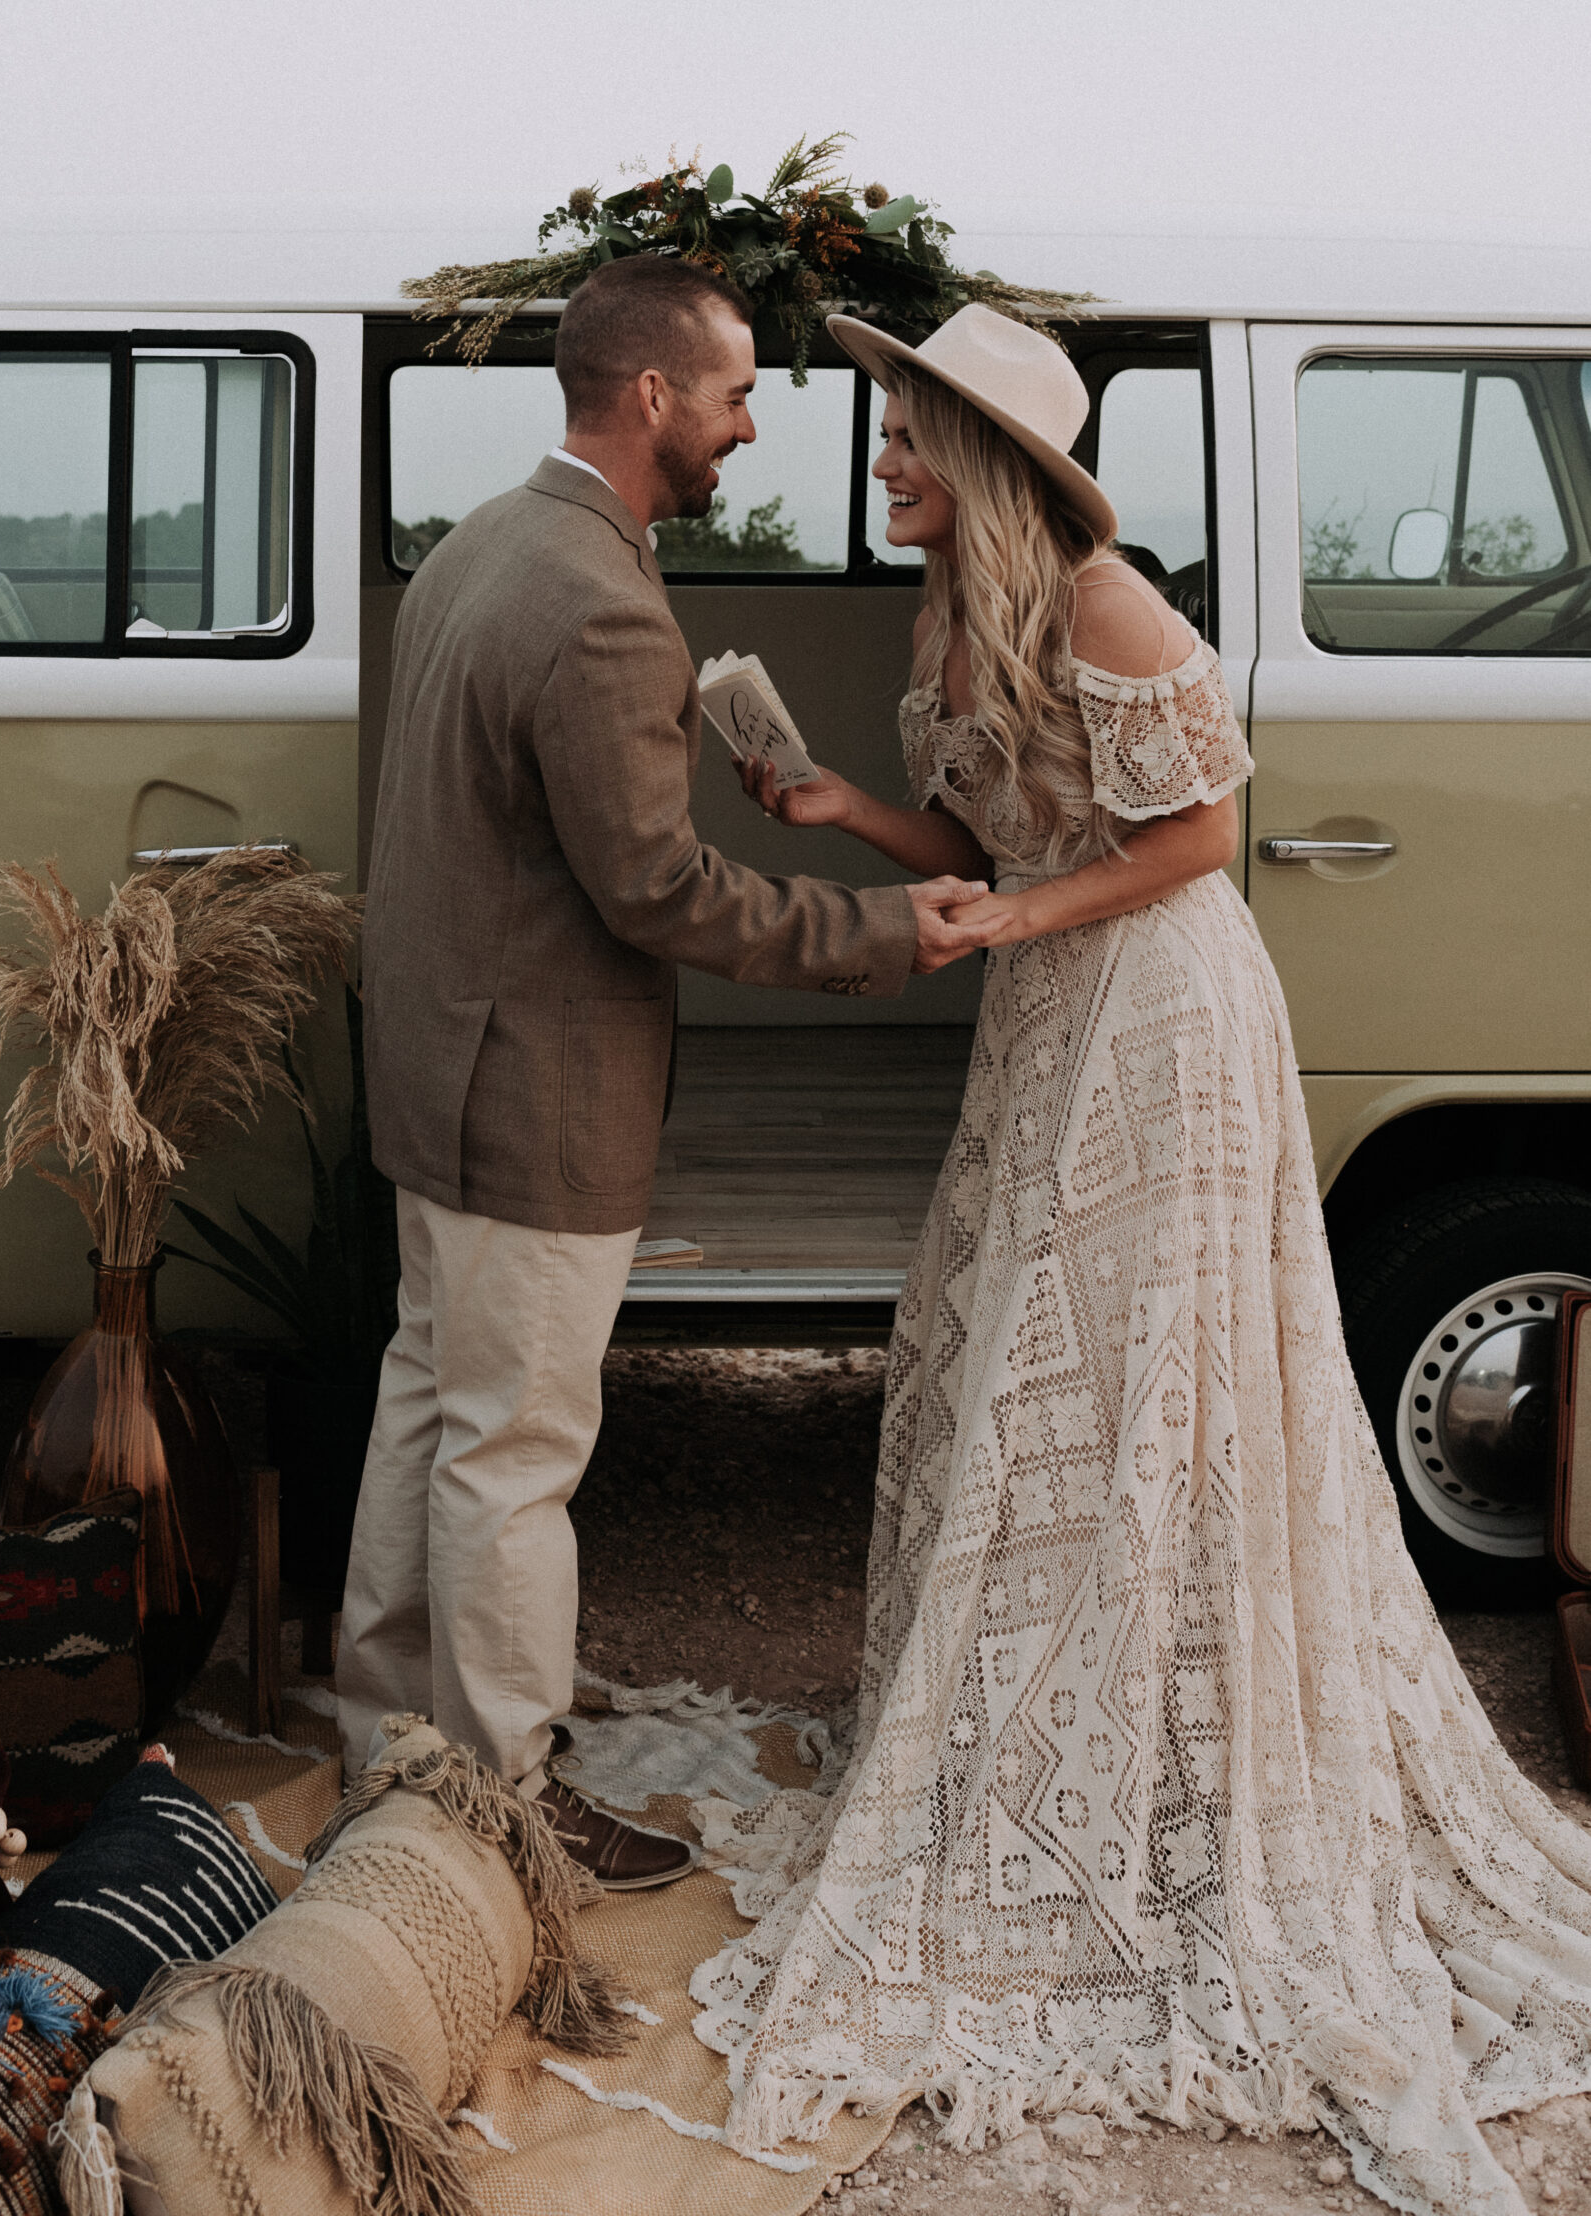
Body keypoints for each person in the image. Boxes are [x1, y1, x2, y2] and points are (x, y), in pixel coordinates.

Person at [696, 303, 1591, 2213]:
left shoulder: (1103, 600)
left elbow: (1196, 836)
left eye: (907, 435)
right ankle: (1055, 1733)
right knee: (1018, 1349)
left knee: (1136, 1364)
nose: (882, 462)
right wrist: (844, 812)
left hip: (1160, 1015)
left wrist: (1007, 918)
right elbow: (990, 817)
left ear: (989, 459)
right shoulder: (961, 615)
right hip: (1047, 1013)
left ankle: (1173, 1771)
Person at [336, 255, 988, 1889]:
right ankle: (498, 1806)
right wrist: (882, 931)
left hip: (435, 1072)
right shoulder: (602, 603)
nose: (749, 428)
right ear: (648, 399)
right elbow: (658, 893)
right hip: (530, 1090)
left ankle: (390, 1748)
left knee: (433, 1408)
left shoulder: (491, 539)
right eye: (734, 394)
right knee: (515, 1453)